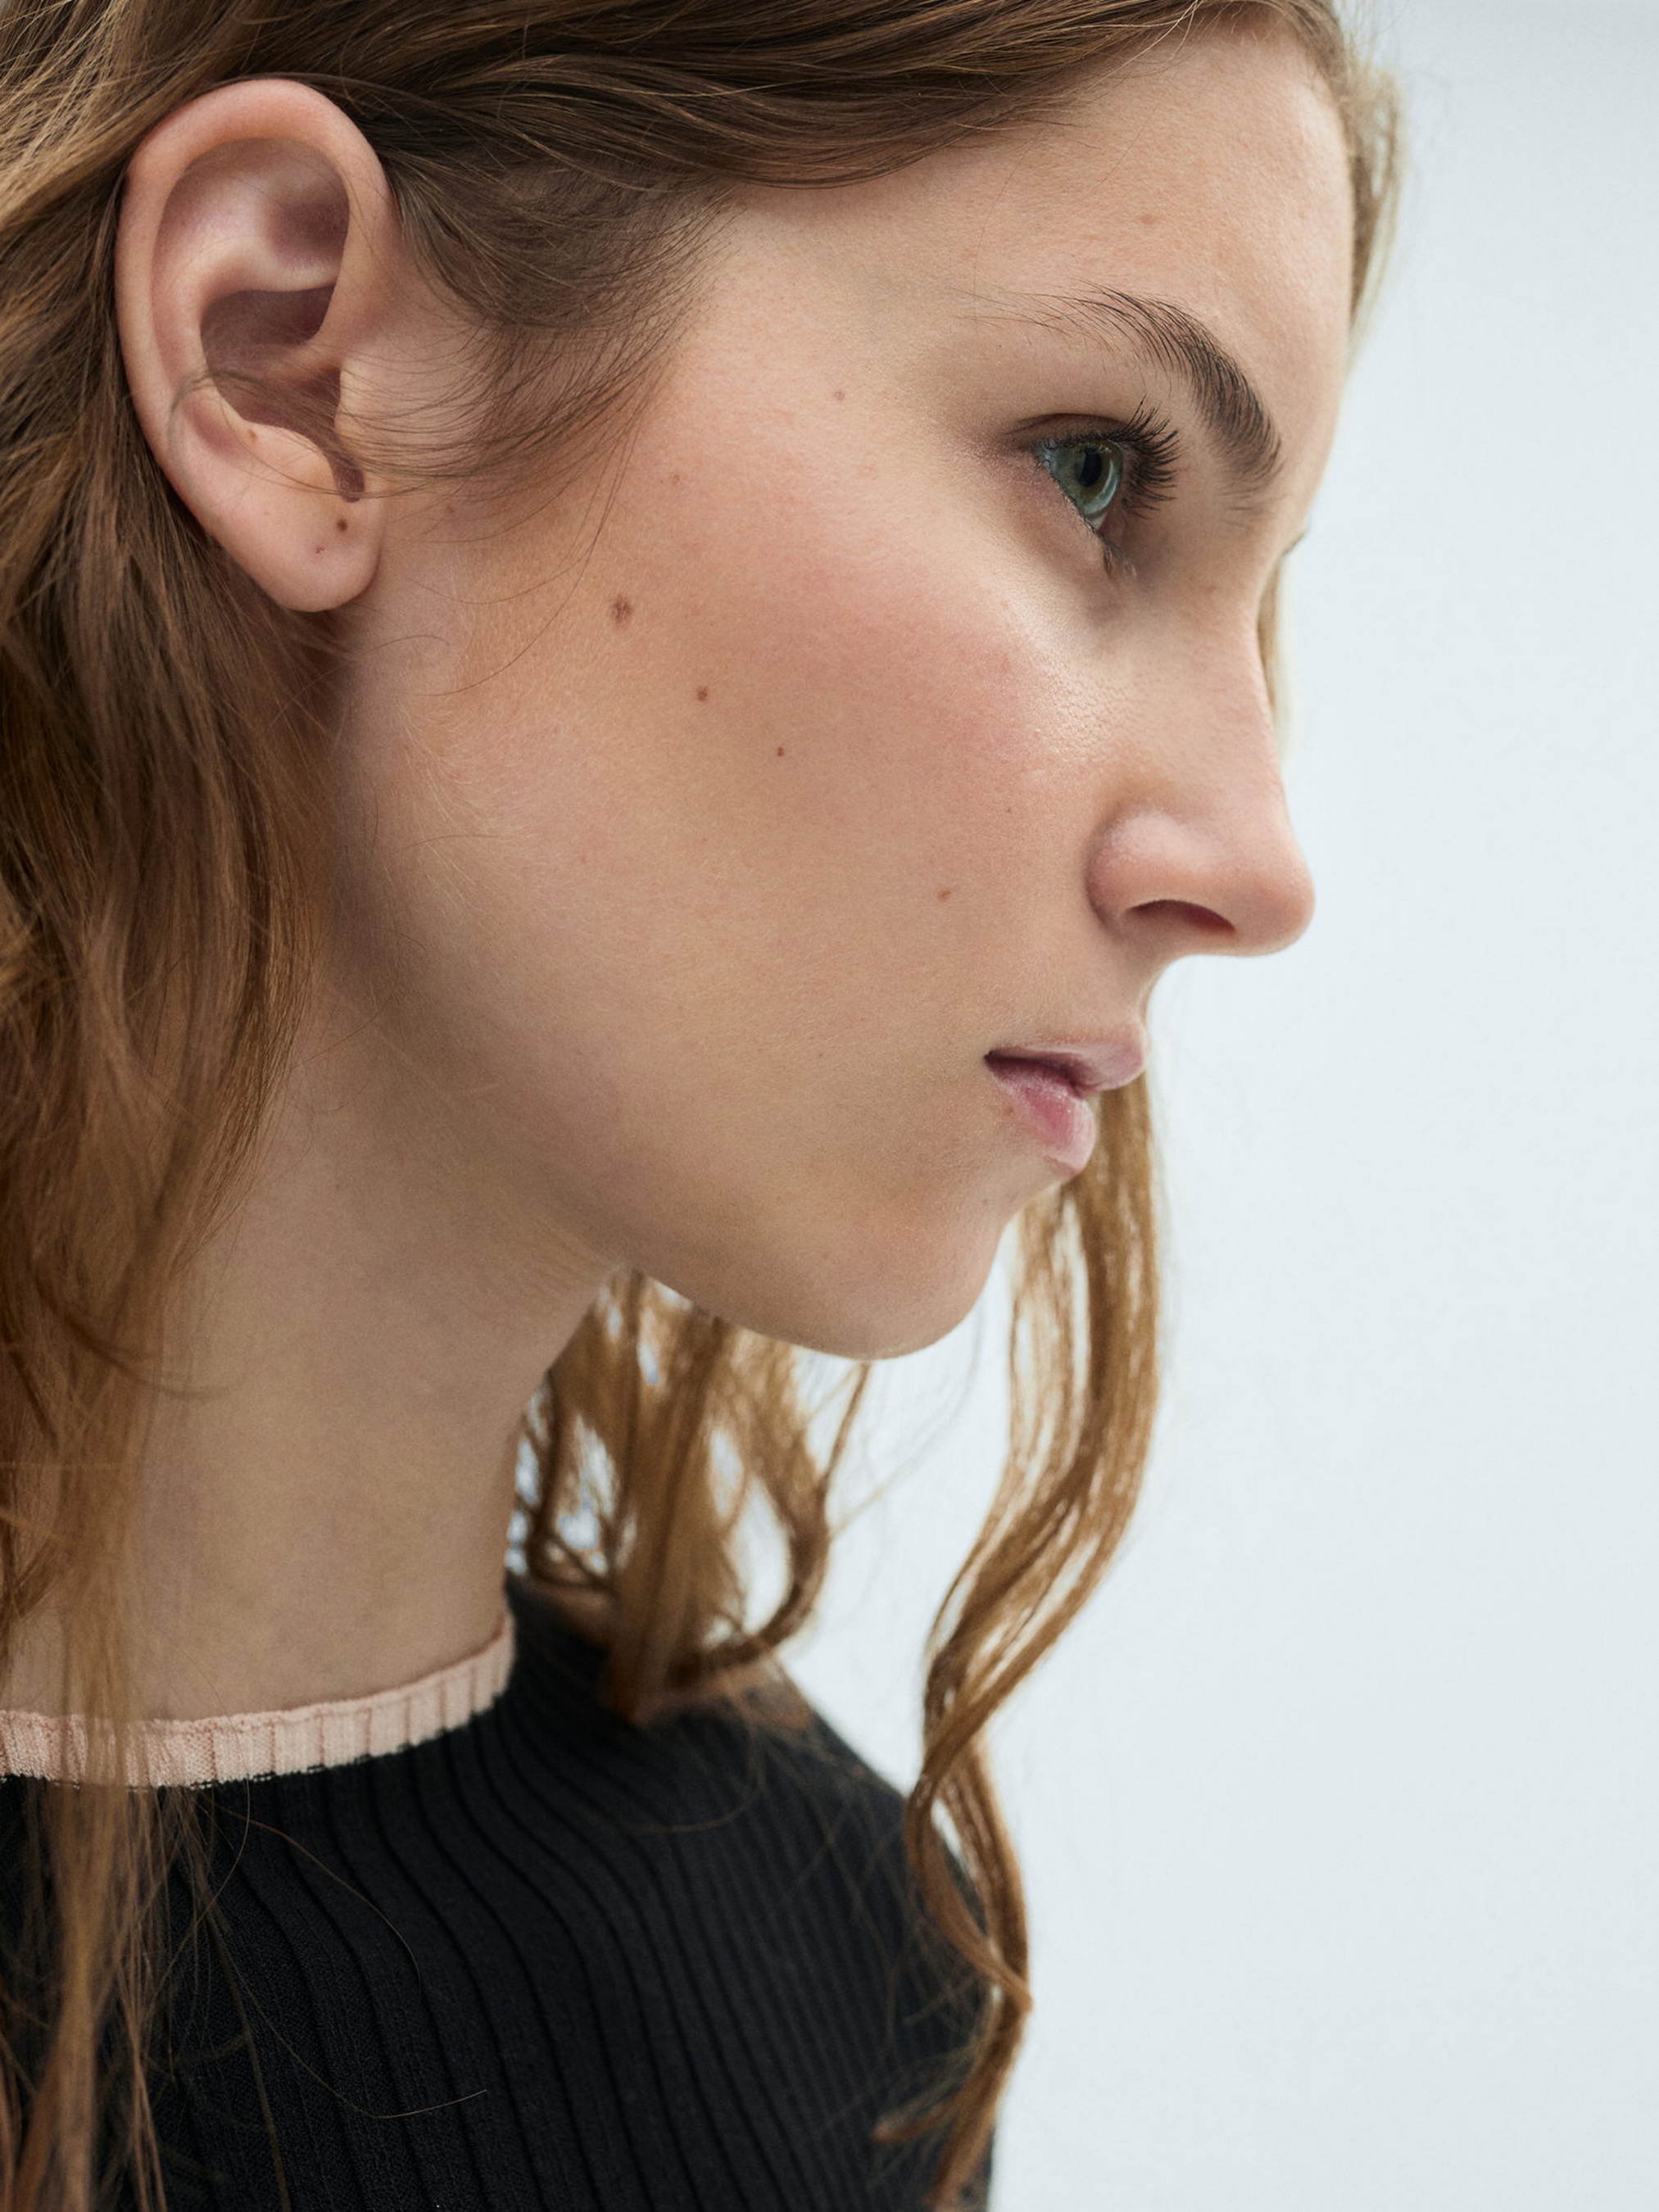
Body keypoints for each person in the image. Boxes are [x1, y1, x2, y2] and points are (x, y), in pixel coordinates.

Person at [0, 0, 1398, 2205]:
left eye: (1264, 596)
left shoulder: (852, 1998)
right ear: (290, 361)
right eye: (1094, 468)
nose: (1255, 860)